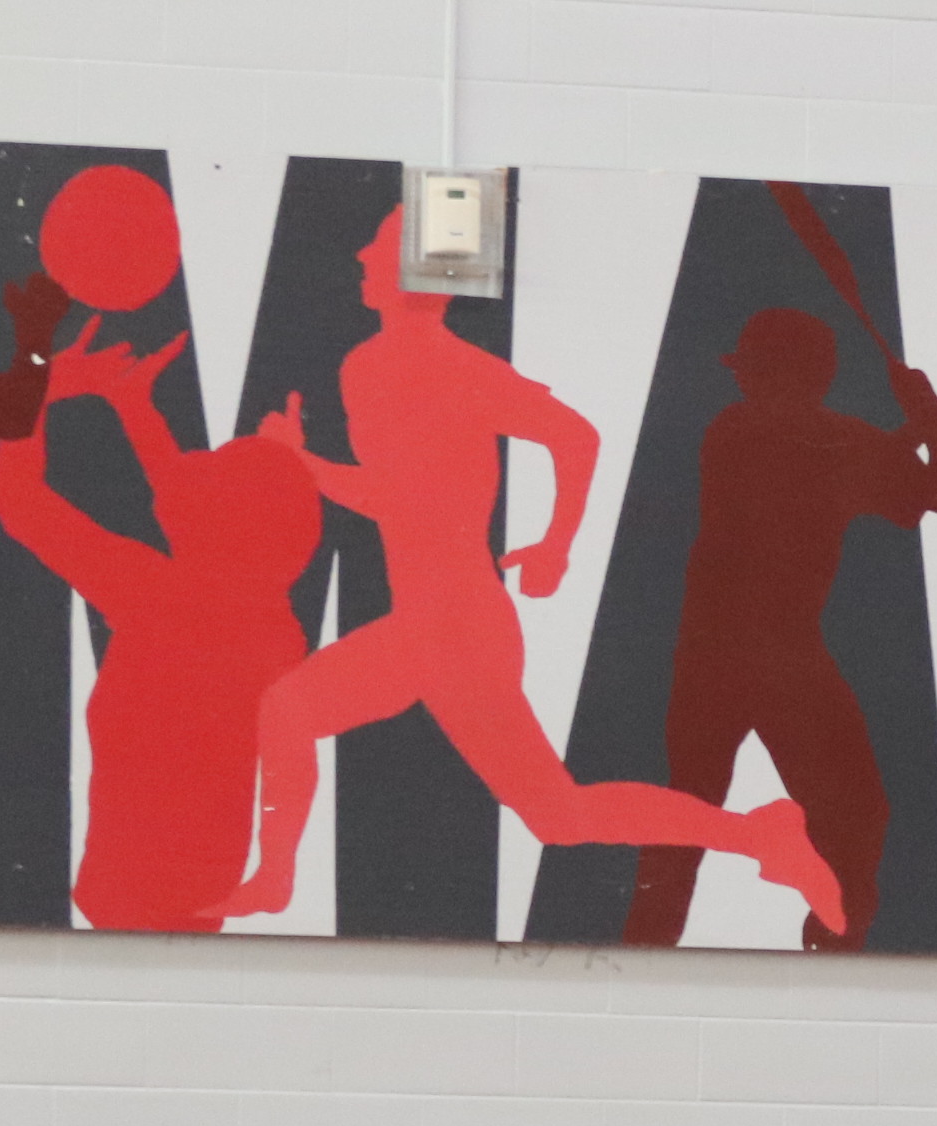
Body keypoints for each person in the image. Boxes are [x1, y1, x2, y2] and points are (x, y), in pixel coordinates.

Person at [240, 211, 840, 933]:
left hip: (458, 628)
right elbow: (411, 494)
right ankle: (758, 833)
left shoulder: (435, 368)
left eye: (377, 248)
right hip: (430, 624)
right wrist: (304, 465)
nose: (361, 254)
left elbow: (555, 444)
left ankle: (759, 834)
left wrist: (556, 543)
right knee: (549, 811)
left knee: (557, 812)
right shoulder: (374, 366)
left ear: (409, 275)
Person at [623, 304, 937, 951]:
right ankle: (645, 959)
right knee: (690, 823)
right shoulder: (743, 430)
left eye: (754, 367)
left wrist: (935, 430)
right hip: (735, 655)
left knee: (851, 813)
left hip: (763, 654)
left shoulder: (831, 438)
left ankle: (830, 948)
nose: (744, 379)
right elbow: (823, 459)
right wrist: (916, 427)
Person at [0, 327, 320, 931]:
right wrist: (135, 407)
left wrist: (35, 388)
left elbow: (19, 498)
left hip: (123, 891)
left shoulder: (155, 593)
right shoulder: (272, 628)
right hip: (201, 891)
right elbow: (193, 506)